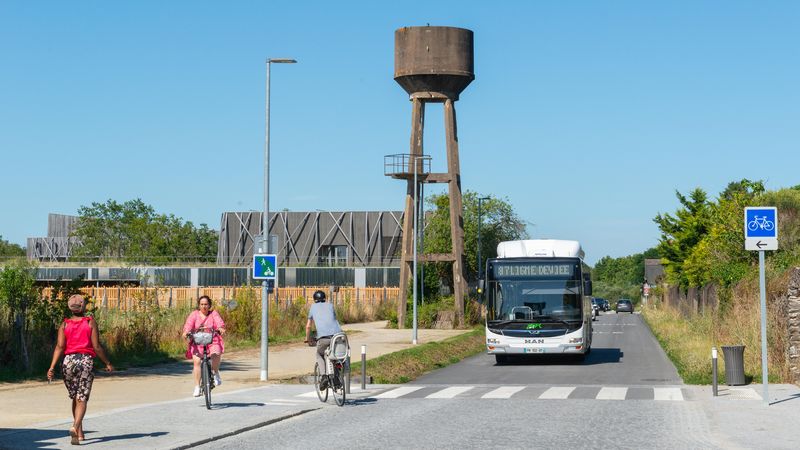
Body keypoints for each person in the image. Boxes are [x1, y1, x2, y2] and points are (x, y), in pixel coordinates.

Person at [47, 294, 114, 446]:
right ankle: (75, 426)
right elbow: (96, 346)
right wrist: (107, 362)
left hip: (68, 362)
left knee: (75, 397)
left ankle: (80, 433)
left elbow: (59, 347)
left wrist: (51, 367)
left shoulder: (64, 325)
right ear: (83, 307)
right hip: (85, 361)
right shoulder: (90, 322)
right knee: (82, 398)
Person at [182, 295, 226, 397]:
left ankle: (215, 373)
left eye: (206, 304)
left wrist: (221, 328)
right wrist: (186, 332)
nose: (204, 306)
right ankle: (197, 387)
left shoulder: (213, 314)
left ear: (209, 305)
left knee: (216, 353)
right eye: (201, 304)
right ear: (199, 305)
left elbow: (219, 323)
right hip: (198, 342)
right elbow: (188, 325)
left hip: (212, 340)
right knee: (197, 362)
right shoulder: (194, 315)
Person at [304, 290, 343, 389]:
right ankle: (337, 377)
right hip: (338, 336)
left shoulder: (313, 307)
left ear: (314, 299)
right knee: (335, 354)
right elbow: (334, 319)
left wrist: (308, 339)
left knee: (319, 354)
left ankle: (324, 376)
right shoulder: (330, 305)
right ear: (324, 298)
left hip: (324, 338)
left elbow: (308, 327)